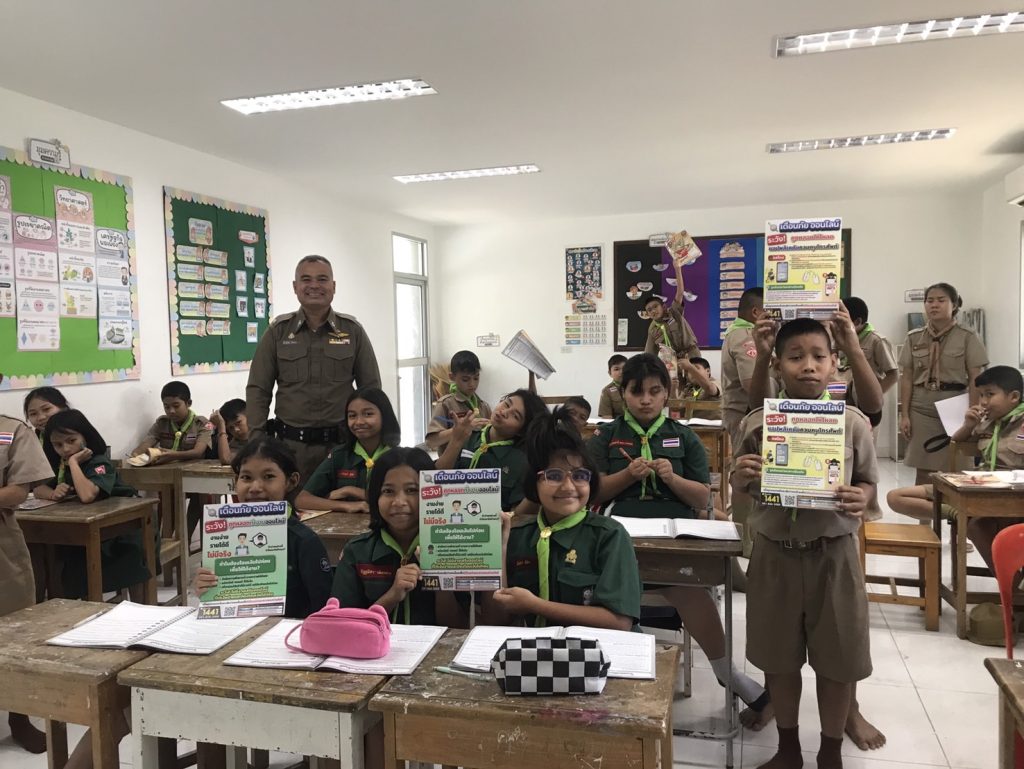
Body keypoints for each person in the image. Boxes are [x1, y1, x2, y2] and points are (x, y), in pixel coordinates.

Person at [587, 353, 772, 728]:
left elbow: (704, 498)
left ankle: (727, 673)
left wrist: (672, 478)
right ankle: (615, 675)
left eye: (655, 391)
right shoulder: (605, 436)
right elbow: (593, 492)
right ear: (623, 393)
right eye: (636, 392)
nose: (646, 400)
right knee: (605, 587)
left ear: (666, 393)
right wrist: (627, 476)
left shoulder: (683, 436)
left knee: (688, 589)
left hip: (674, 540)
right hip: (617, 539)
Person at [733, 318, 878, 768]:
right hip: (774, 555)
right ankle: (789, 749)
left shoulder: (852, 423)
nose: (809, 366)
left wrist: (862, 496)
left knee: (838, 660)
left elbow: (868, 482)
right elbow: (740, 486)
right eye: (796, 357)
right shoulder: (758, 423)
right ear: (777, 365)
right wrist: (739, 477)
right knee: (778, 659)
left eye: (819, 356)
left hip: (834, 556)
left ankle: (830, 751)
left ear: (835, 364)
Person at [483, 408, 641, 629]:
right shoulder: (518, 535)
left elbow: (619, 622)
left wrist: (535, 605)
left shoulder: (609, 535)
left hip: (600, 649)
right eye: (554, 476)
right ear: (534, 483)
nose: (568, 487)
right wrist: (497, 552)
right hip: (536, 648)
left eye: (579, 475)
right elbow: (496, 622)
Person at [246, 255, 381, 483]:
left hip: (342, 447)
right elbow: (258, 390)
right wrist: (257, 443)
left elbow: (371, 390)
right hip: (291, 449)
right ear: (295, 287)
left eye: (322, 279)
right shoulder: (278, 332)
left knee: (345, 502)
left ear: (333, 286)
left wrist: (373, 439)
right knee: (294, 504)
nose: (314, 285)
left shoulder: (352, 331)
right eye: (306, 279)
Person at [890, 366, 1024, 562]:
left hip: (1012, 497)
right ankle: (960, 513)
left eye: (990, 394)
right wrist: (968, 425)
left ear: (1014, 397)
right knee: (897, 497)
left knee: (976, 526)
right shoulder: (986, 422)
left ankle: (1009, 580)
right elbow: (957, 443)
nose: (983, 401)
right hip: (977, 489)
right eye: (981, 395)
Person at [195, 438, 333, 620]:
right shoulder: (221, 537)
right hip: (236, 630)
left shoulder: (304, 542)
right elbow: (218, 606)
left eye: (268, 477)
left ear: (291, 481)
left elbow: (324, 611)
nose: (255, 488)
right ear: (235, 482)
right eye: (246, 478)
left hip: (287, 634)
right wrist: (205, 588)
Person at [331, 447, 466, 626]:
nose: (399, 502)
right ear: (375, 496)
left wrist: (442, 581)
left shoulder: (453, 547)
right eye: (388, 491)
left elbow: (458, 628)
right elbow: (342, 626)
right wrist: (393, 595)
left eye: (412, 490)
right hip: (373, 644)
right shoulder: (357, 551)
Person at [34, 410, 152, 601]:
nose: (65, 449)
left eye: (71, 441)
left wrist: (74, 463)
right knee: (67, 555)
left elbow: (87, 495)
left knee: (129, 557)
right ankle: (85, 608)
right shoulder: (60, 465)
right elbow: (38, 489)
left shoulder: (98, 461)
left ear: (85, 437)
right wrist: (53, 493)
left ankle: (140, 607)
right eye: (57, 445)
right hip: (93, 527)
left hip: (128, 527)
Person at [0, 373, 55, 755]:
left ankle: (19, 717)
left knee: (13, 634)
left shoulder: (11, 432)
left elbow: (18, 491)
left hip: (2, 550)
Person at [899, 282, 988, 485]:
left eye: (941, 300)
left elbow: (976, 378)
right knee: (923, 469)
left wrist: (973, 412)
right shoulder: (914, 337)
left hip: (955, 406)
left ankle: (954, 506)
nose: (934, 305)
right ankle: (923, 506)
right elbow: (907, 377)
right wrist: (904, 415)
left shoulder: (967, 336)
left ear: (954, 305)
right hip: (921, 408)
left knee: (958, 466)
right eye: (929, 301)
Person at [435, 389, 549, 514]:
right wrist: (456, 441)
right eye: (507, 404)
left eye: (515, 416)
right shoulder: (467, 436)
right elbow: (435, 480)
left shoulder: (522, 462)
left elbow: (517, 513)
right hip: (450, 516)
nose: (504, 412)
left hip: (493, 524)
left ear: (522, 431)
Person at [294, 388, 399, 514]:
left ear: (385, 416)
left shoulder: (399, 457)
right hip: (346, 526)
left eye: (368, 414)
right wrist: (346, 506)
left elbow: (401, 499)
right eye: (352, 416)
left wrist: (350, 491)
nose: (359, 422)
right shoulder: (339, 455)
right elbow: (302, 500)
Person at [642, 260, 699, 393]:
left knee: (696, 385)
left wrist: (677, 269)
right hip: (672, 363)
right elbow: (649, 354)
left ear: (663, 307)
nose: (653, 311)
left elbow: (680, 292)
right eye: (649, 310)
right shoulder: (652, 329)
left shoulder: (674, 312)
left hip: (691, 355)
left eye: (655, 307)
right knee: (677, 390)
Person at [721, 287, 765, 449]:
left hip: (744, 413)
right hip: (746, 415)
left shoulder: (737, 332)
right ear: (756, 312)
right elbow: (751, 384)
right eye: (770, 312)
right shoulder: (746, 336)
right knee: (747, 461)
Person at [131, 380, 213, 464]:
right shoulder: (162, 423)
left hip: (193, 469)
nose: (171, 411)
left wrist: (174, 455)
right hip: (167, 468)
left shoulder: (203, 424)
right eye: (166, 407)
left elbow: (198, 452)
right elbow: (147, 442)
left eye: (176, 406)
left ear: (188, 403)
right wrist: (136, 454)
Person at [425, 350, 492, 451]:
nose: (472, 384)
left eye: (476, 378)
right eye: (465, 379)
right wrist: (460, 430)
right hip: (453, 460)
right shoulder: (445, 404)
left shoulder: (483, 406)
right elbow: (431, 442)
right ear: (452, 377)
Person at [209, 398, 249, 464]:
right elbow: (227, 459)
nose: (236, 430)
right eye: (231, 428)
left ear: (249, 416)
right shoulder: (234, 444)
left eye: (238, 422)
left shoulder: (264, 434)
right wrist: (221, 426)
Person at [597, 354, 627, 419]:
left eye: (624, 368)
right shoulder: (607, 391)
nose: (621, 372)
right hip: (618, 424)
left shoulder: (637, 386)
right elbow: (606, 417)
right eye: (616, 369)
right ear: (610, 373)